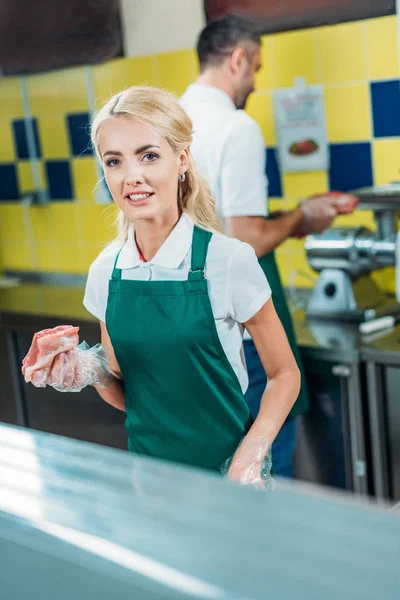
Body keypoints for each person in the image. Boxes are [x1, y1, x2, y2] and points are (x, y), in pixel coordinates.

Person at [24, 86, 300, 486]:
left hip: (229, 480)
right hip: (149, 480)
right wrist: (90, 372)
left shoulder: (227, 261)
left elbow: (284, 375)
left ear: (182, 158)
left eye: (149, 155)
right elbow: (125, 390)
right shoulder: (107, 271)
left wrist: (250, 455)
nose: (132, 176)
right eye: (114, 161)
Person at [180, 15, 358, 478]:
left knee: (221, 471)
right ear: (237, 59)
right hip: (244, 337)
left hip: (195, 329)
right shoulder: (236, 128)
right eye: (255, 67)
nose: (254, 81)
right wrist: (303, 215)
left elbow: (214, 227)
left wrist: (288, 222)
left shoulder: (171, 123)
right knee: (263, 470)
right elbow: (246, 239)